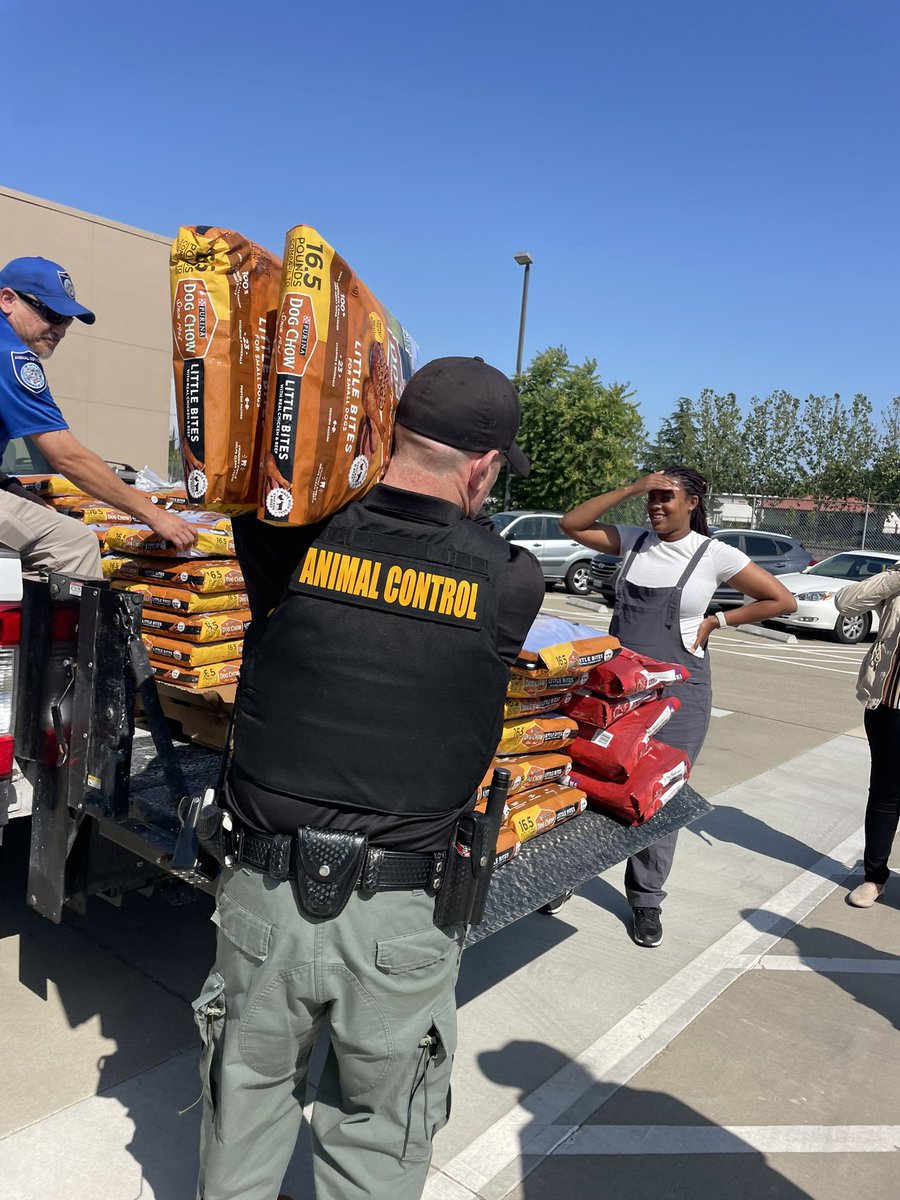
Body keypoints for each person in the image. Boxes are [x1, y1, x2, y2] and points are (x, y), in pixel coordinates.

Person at [193, 356, 545, 1200]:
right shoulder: (511, 578)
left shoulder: (282, 534)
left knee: (241, 1108)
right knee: (379, 1142)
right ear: (484, 465)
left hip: (261, 897)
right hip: (399, 915)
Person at [560, 468, 796, 947]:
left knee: (657, 792)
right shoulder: (633, 542)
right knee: (587, 779)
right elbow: (572, 523)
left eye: (666, 497)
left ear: (693, 502)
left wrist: (717, 622)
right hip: (616, 690)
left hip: (679, 696)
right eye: (651, 497)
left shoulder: (714, 554)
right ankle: (567, 874)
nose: (656, 505)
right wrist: (630, 488)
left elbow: (781, 599)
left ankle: (646, 900)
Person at [0, 256, 196, 579]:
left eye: (67, 320)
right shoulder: (11, 355)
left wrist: (14, 490)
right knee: (75, 545)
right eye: (51, 314)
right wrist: (154, 516)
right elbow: (67, 456)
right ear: (8, 300)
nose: (61, 329)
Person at [834, 565, 900, 907]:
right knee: (886, 795)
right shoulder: (895, 579)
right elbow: (846, 603)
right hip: (889, 705)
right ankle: (874, 878)